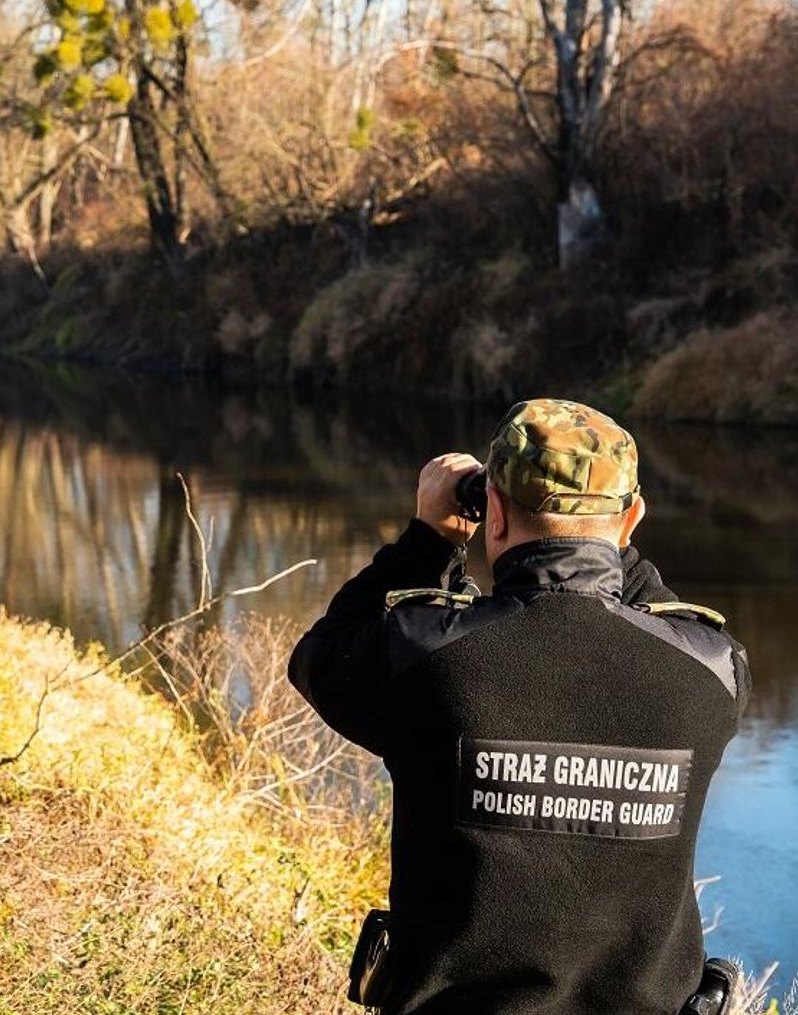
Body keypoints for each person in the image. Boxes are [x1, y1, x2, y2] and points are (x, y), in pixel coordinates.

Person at [290, 399, 750, 1015]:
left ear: (493, 512)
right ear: (632, 518)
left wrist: (427, 540)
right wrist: (611, 547)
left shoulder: (420, 655)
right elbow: (660, 619)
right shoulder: (714, 675)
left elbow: (321, 657)